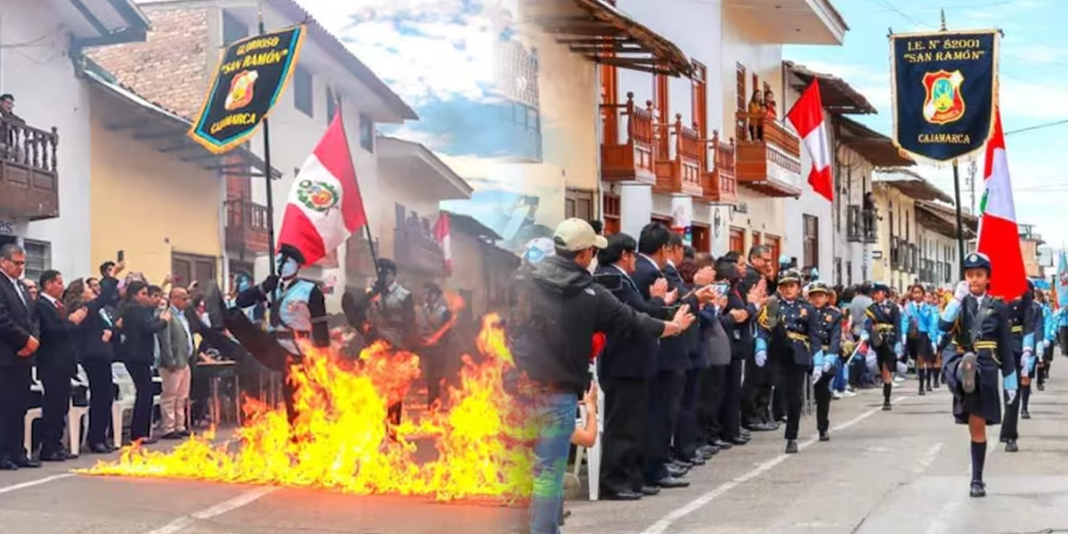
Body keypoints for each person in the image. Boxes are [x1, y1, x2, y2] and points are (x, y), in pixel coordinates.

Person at [508, 218, 696, 534]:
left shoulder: (522, 283)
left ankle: (547, 526)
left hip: (515, 392)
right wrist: (673, 326)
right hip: (558, 392)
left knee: (521, 472)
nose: (595, 255)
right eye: (593, 249)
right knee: (548, 473)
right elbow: (634, 322)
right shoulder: (590, 294)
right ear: (582, 254)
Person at [594, 232, 674, 501]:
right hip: (622, 364)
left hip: (632, 364)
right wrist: (659, 301)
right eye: (632, 256)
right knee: (622, 427)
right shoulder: (612, 279)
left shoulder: (621, 278)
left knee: (633, 425)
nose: (635, 262)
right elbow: (640, 313)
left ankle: (631, 478)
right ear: (624, 255)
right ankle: (615, 481)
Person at [225, 245, 330, 427]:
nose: (281, 264)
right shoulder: (273, 287)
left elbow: (321, 326)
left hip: (297, 349)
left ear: (297, 266)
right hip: (272, 344)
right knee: (240, 324)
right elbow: (242, 301)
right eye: (279, 260)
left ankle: (299, 437)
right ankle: (221, 319)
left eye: (287, 261)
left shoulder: (310, 290)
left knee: (294, 398)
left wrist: (321, 357)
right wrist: (264, 287)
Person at [940, 253, 1016, 498]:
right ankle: (962, 375)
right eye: (970, 274)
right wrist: (956, 300)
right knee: (956, 360)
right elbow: (943, 326)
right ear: (965, 277)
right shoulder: (957, 302)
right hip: (963, 356)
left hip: (986, 365)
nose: (974, 279)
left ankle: (977, 479)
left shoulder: (999, 307)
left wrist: (1010, 378)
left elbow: (1004, 343)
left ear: (987, 278)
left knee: (977, 425)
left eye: (979, 275)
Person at [755, 269, 818, 454]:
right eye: (784, 286)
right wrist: (760, 346)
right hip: (777, 352)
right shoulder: (773, 306)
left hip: (798, 354)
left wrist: (819, 359)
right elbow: (763, 328)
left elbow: (813, 335)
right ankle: (767, 417)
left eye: (792, 285)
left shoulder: (808, 308)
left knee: (794, 397)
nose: (788, 289)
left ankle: (792, 436)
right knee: (771, 386)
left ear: (799, 288)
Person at [35, 270, 89, 460]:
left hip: (64, 363)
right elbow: (50, 332)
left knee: (61, 407)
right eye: (58, 282)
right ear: (48, 285)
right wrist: (72, 322)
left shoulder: (59, 305)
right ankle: (48, 447)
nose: (62, 286)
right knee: (53, 406)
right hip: (51, 363)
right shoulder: (42, 305)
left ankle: (57, 444)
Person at [66, 275, 119, 454]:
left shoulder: (96, 311)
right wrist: (112, 277)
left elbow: (107, 326)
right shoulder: (85, 308)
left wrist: (109, 333)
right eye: (89, 289)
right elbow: (104, 298)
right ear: (81, 294)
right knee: (100, 397)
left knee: (106, 396)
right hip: (92, 357)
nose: (94, 291)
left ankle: (100, 436)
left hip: (102, 355)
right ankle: (96, 438)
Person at [366, 258, 417, 428]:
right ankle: (377, 425)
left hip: (397, 345)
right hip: (378, 345)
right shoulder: (374, 294)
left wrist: (409, 350)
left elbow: (410, 325)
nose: (382, 276)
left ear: (393, 275)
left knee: (395, 390)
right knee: (377, 387)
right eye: (379, 272)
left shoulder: (404, 295)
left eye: (385, 273)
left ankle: (393, 426)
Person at [0, 244, 39, 469]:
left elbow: (33, 317)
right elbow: (2, 319)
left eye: (23, 263)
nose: (21, 267)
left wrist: (33, 340)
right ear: (3, 262)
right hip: (6, 355)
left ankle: (18, 452)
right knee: (5, 407)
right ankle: (3, 453)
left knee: (20, 407)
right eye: (16, 263)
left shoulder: (22, 287)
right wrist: (24, 340)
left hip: (24, 356)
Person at [117, 281, 170, 444]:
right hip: (137, 356)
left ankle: (141, 432)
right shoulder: (134, 309)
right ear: (134, 295)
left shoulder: (137, 309)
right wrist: (163, 321)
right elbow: (147, 328)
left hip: (139, 355)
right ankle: (139, 433)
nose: (146, 297)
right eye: (143, 294)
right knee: (144, 393)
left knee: (145, 394)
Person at [999, 282, 1035, 453]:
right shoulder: (993, 287)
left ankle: (1009, 435)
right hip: (991, 341)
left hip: (1014, 344)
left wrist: (1028, 347)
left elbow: (1029, 320)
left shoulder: (1024, 291)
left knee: (1012, 388)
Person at [157, 287, 195, 440]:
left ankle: (180, 425)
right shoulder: (167, 315)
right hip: (172, 363)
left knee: (182, 396)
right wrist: (169, 360)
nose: (186, 301)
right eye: (183, 298)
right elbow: (164, 340)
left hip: (184, 361)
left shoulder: (182, 316)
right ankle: (168, 427)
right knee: (170, 396)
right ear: (174, 298)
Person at [807, 281, 841, 442]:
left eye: (820, 295)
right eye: (814, 296)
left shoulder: (834, 315)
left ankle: (823, 427)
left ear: (827, 297)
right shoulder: (804, 312)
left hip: (826, 352)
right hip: (807, 353)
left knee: (822, 394)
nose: (817, 299)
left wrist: (831, 356)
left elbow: (835, 338)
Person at [863, 282, 902, 411]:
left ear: (885, 293)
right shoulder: (871, 308)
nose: (875, 295)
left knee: (886, 368)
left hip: (890, 340)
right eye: (874, 293)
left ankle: (887, 399)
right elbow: (868, 323)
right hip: (877, 340)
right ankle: (886, 390)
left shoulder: (893, 307)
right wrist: (866, 331)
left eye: (878, 293)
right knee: (881, 366)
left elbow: (897, 325)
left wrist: (898, 341)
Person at [418, 283, 456, 409]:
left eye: (430, 294)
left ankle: (435, 402)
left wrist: (437, 342)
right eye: (426, 293)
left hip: (439, 350)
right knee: (429, 377)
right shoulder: (421, 310)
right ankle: (431, 402)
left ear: (437, 296)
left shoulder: (444, 312)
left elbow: (447, 333)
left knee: (437, 377)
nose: (427, 296)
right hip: (426, 349)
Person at [902, 284, 939, 396]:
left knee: (924, 359)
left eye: (919, 292)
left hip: (924, 335)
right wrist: (903, 333)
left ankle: (923, 384)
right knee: (918, 360)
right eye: (915, 293)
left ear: (923, 294)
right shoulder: (908, 308)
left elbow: (931, 324)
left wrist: (933, 339)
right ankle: (923, 381)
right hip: (912, 335)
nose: (917, 295)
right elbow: (904, 320)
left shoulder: (928, 308)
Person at [1036, 288, 1056, 391]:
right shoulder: (1030, 308)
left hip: (1044, 337)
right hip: (1033, 337)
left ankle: (1041, 379)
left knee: (1043, 359)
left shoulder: (1046, 309)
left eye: (1037, 298)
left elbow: (1049, 323)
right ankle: (1029, 383)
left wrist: (1048, 337)